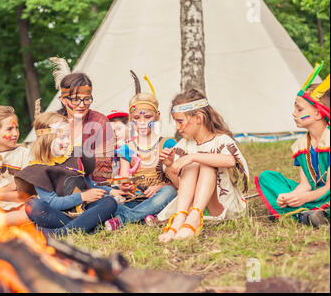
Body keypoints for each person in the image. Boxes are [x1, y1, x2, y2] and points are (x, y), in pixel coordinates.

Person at [15, 112, 129, 236]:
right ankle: (87, 226)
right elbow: (53, 203)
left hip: (85, 209)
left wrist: (109, 191)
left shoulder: (77, 156)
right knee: (33, 206)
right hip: (60, 214)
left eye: (68, 137)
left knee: (109, 202)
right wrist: (82, 197)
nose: (67, 141)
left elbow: (89, 187)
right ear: (46, 140)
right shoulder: (38, 169)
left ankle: (60, 233)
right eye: (62, 137)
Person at [158, 89, 249, 243]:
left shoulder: (221, 140)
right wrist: (170, 166)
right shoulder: (185, 144)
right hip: (191, 204)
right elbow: (182, 185)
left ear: (198, 118)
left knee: (205, 163)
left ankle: (193, 218)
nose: (177, 127)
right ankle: (180, 218)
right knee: (192, 165)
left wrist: (193, 157)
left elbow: (230, 161)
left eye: (180, 121)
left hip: (221, 206)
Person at [255, 63, 330, 227]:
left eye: (300, 109)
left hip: (327, 193)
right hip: (315, 194)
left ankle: (300, 214)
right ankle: (307, 213)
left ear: (318, 113)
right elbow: (305, 185)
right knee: (267, 178)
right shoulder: (303, 145)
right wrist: (291, 196)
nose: (294, 113)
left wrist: (304, 198)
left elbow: (328, 187)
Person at [103, 71, 177, 231]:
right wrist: (124, 185)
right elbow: (124, 176)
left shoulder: (167, 143)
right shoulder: (126, 148)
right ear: (131, 118)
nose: (142, 122)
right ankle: (147, 216)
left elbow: (179, 182)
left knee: (170, 192)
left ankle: (124, 219)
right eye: (136, 118)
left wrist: (160, 187)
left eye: (147, 117)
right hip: (135, 197)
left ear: (156, 116)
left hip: (160, 196)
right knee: (109, 201)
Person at [50, 57, 114, 182]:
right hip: (56, 189)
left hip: (93, 186)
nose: (82, 104)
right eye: (75, 99)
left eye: (87, 99)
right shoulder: (52, 123)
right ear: (63, 99)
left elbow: (103, 167)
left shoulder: (100, 122)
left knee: (108, 202)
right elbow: (42, 159)